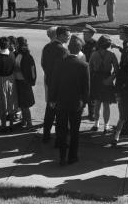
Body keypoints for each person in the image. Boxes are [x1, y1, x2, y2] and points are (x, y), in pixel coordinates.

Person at [50, 36, 90, 166]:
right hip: (76, 104)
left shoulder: (59, 63)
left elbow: (54, 83)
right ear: (79, 50)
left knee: (61, 130)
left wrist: (52, 99)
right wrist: (84, 102)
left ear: (69, 48)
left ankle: (62, 157)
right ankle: (72, 156)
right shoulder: (84, 65)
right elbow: (86, 87)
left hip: (61, 102)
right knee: (74, 131)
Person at [41, 26, 70, 143]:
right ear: (60, 35)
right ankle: (59, 139)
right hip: (60, 86)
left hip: (49, 82)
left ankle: (46, 135)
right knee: (60, 114)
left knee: (49, 110)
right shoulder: (63, 50)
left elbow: (43, 64)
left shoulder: (47, 47)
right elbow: (65, 69)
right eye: (67, 36)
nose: (69, 38)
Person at [89, 35, 119, 133]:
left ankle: (96, 124)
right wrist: (111, 78)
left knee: (97, 103)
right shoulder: (111, 55)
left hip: (96, 79)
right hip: (107, 79)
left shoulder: (94, 54)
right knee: (106, 104)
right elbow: (117, 69)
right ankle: (106, 125)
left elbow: (90, 69)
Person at [14, 37, 36, 129]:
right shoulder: (18, 54)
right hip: (19, 82)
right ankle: (24, 121)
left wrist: (32, 81)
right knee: (22, 105)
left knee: (25, 105)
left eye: (16, 44)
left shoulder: (27, 56)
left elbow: (32, 71)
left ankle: (30, 124)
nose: (15, 45)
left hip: (24, 83)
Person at [81, 24, 97, 120]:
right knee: (81, 91)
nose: (83, 35)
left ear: (91, 34)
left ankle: (92, 113)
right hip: (82, 71)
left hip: (91, 72)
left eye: (85, 33)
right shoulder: (81, 43)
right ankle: (80, 110)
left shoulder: (96, 44)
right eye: (83, 33)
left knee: (91, 94)